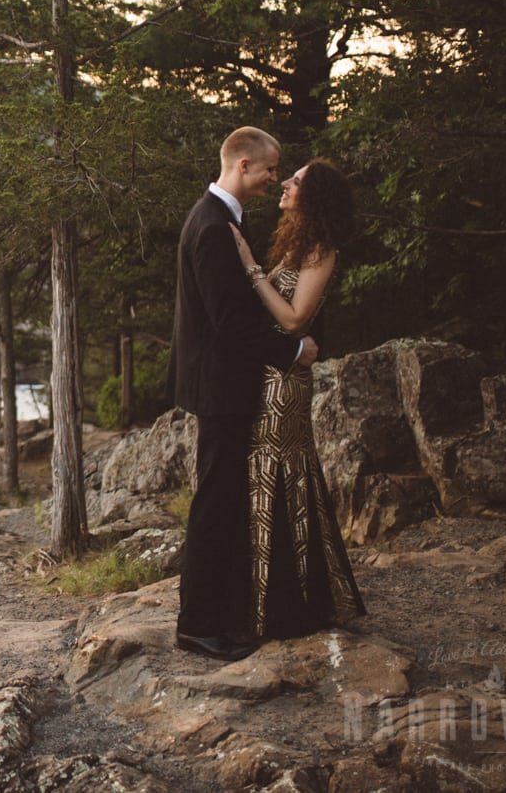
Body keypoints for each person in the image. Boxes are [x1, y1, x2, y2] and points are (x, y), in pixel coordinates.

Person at [168, 127, 318, 662]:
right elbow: (229, 322)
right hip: (220, 384)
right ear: (245, 165)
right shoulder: (211, 226)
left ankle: (224, 616)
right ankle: (196, 625)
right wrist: (293, 352)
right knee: (215, 502)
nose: (275, 179)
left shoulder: (221, 218)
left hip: (224, 381)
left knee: (225, 499)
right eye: (271, 169)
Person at [228, 157, 366, 639]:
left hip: (284, 383)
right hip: (270, 373)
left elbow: (292, 321)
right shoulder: (297, 244)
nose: (284, 183)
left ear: (314, 196)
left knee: (283, 478)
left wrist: (249, 268)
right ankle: (263, 598)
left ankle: (290, 602)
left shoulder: (321, 250)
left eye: (296, 181)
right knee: (265, 476)